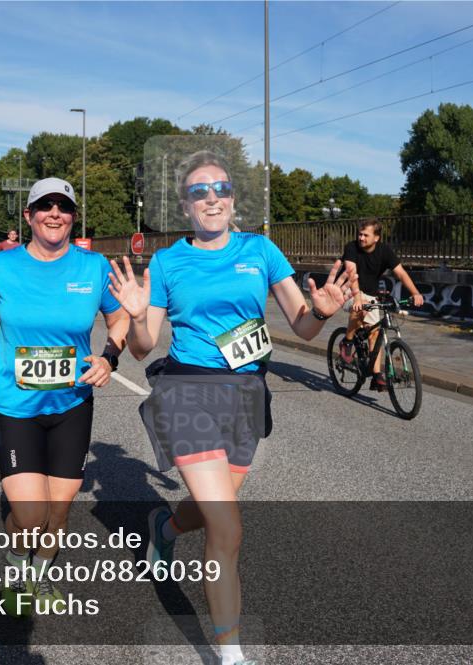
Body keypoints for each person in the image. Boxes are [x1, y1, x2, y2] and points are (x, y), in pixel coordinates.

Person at [107, 151, 356, 665]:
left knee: (210, 510)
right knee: (227, 526)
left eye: (220, 188)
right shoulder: (169, 262)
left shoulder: (261, 250)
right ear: (185, 206)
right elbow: (142, 347)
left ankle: (163, 529)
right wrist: (135, 317)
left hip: (246, 395)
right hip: (187, 392)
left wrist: (322, 314)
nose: (212, 199)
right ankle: (231, 653)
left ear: (233, 198)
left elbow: (303, 325)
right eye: (199, 192)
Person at [0, 177, 128, 616]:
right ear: (28, 216)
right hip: (16, 406)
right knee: (30, 517)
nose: (54, 213)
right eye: (45, 205)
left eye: (63, 206)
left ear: (73, 217)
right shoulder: (2, 266)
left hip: (72, 405)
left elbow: (119, 318)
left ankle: (39, 577)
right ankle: (15, 568)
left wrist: (109, 357)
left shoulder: (93, 267)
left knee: (57, 513)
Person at [338, 219, 423, 390]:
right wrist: (357, 298)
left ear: (376, 238)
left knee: (374, 333)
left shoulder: (385, 251)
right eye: (360, 234)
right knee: (361, 308)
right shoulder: (351, 248)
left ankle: (376, 375)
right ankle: (347, 342)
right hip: (346, 290)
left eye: (365, 235)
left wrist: (415, 293)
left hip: (370, 294)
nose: (361, 238)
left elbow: (401, 273)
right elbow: (351, 273)